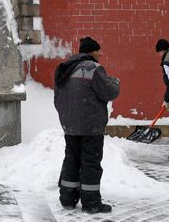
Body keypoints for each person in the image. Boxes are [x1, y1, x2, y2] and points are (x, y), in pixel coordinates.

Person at [54, 36, 120, 214]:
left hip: (70, 125)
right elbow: (110, 92)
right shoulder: (94, 69)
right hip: (91, 127)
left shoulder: (65, 68)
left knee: (71, 160)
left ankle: (67, 198)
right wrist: (114, 82)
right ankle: (91, 203)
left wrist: (67, 118)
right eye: (98, 50)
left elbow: (58, 99)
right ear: (91, 52)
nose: (100, 53)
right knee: (91, 162)